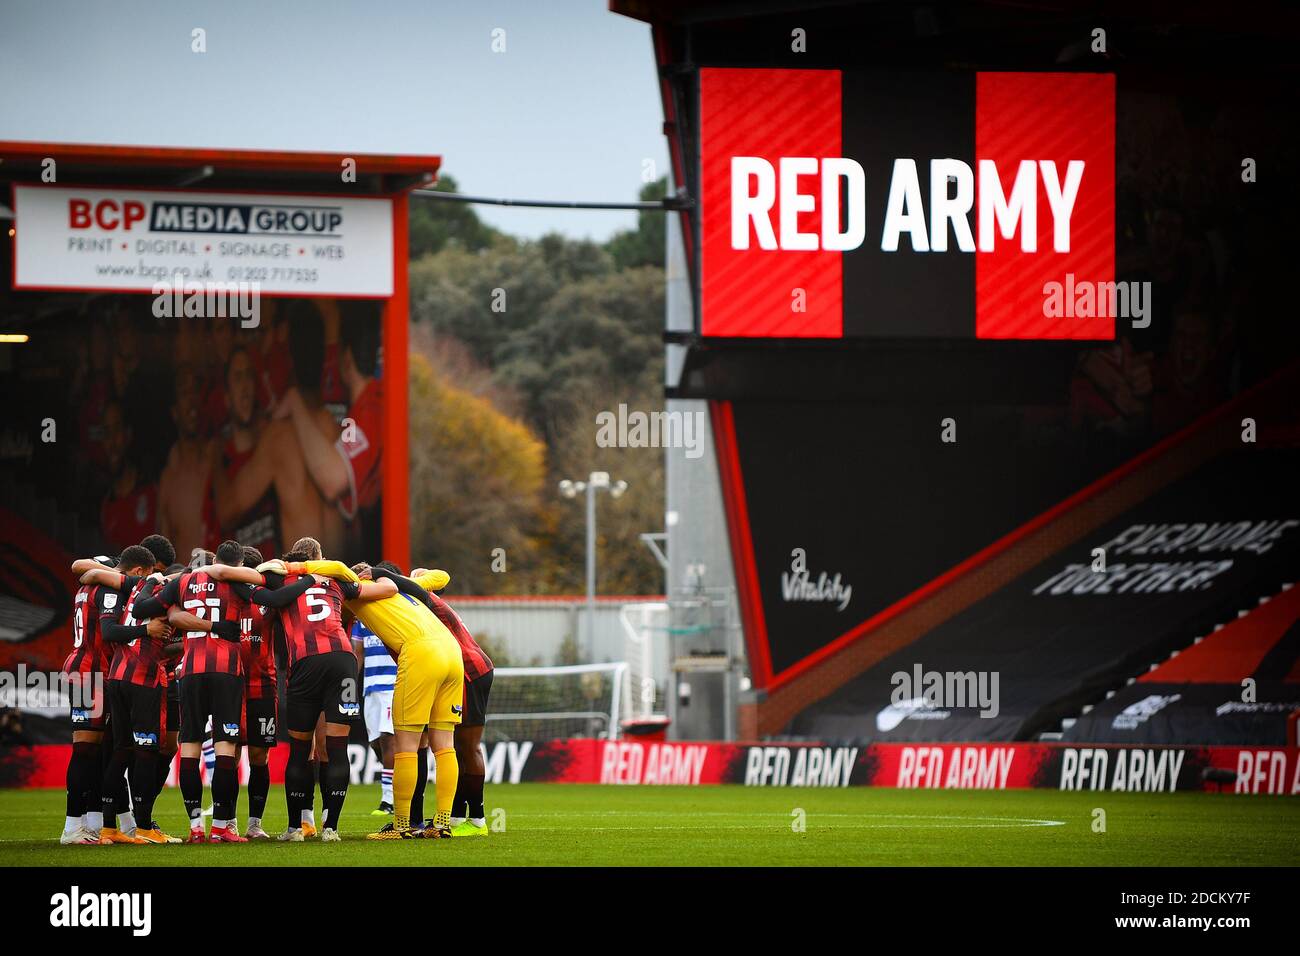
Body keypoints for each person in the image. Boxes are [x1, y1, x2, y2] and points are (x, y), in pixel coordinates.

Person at [210, 536, 393, 842]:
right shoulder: (337, 581)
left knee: (300, 748)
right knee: (336, 749)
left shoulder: (277, 580)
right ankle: (331, 828)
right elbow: (389, 588)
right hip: (343, 662)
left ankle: (295, 827)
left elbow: (225, 573)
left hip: (306, 665)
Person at [293, 555, 461, 839]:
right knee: (444, 745)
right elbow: (442, 576)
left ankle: (401, 826)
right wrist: (391, 574)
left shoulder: (355, 592)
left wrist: (295, 567)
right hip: (451, 651)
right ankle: (442, 823)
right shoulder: (404, 586)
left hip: (420, 653)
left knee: (405, 746)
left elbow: (335, 571)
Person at [409, 564, 494, 837]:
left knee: (468, 747)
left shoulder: (427, 601)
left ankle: (478, 819)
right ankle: (457, 817)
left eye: (415, 577)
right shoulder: (433, 605)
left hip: (469, 672)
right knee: (456, 747)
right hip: (467, 670)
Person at [353, 614, 396, 816]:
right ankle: (399, 780)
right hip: (370, 688)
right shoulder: (362, 619)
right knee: (376, 743)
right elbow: (358, 653)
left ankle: (388, 800)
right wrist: (350, 681)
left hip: (393, 686)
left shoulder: (394, 613)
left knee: (389, 740)